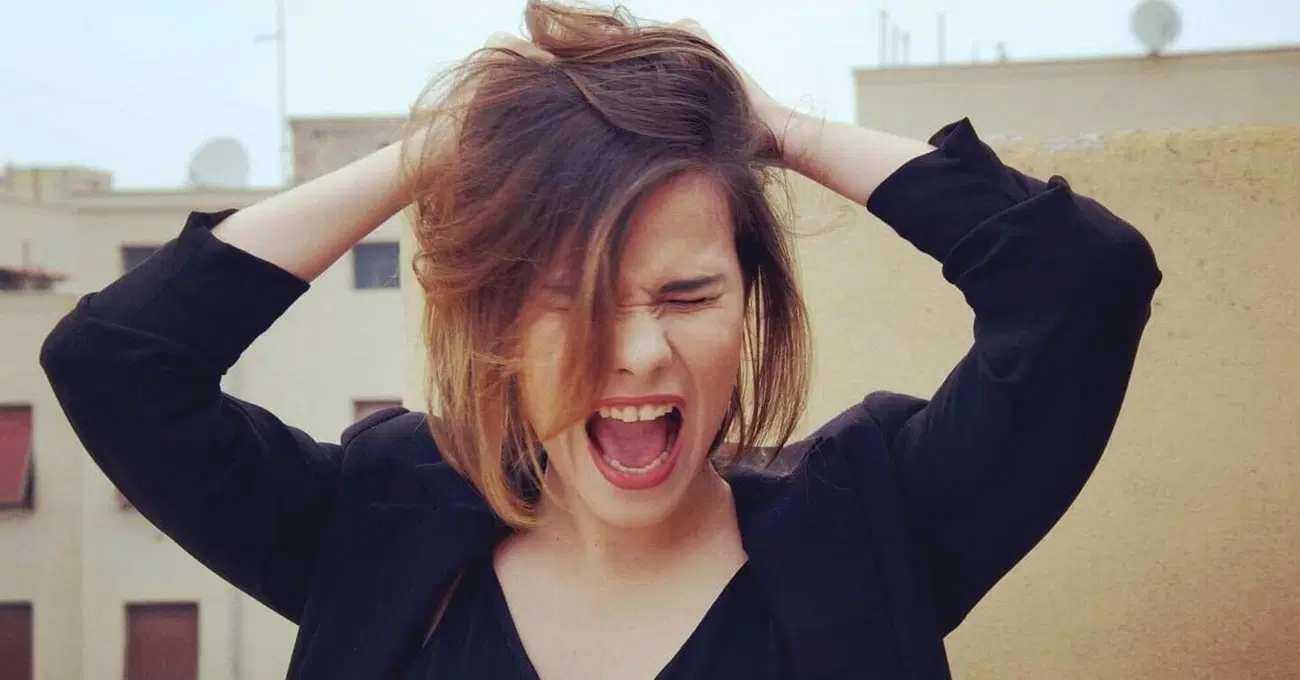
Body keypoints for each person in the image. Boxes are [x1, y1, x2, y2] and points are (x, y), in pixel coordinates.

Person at [40, 2, 1161, 679]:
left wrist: (776, 128)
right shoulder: (376, 526)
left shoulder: (872, 525)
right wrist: (437, 151)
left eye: (686, 293)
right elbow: (118, 361)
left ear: (750, 301)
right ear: (490, 319)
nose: (635, 352)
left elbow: (1082, 283)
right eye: (562, 298)